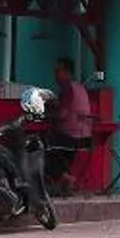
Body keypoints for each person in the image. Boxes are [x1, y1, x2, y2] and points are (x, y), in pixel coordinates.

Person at [44, 58, 96, 188]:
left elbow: (62, 114)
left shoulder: (68, 88)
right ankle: (64, 177)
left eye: (58, 71)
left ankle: (64, 177)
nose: (55, 74)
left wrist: (45, 115)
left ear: (67, 72)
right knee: (53, 147)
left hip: (72, 137)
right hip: (84, 137)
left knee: (40, 146)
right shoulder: (79, 87)